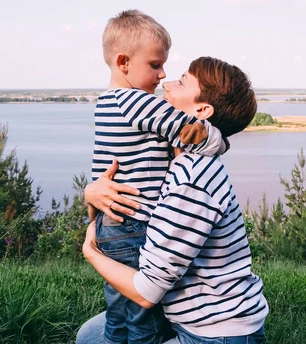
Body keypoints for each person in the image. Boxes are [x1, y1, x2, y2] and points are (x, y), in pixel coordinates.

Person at [79, 57, 268, 344]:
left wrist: (92, 252)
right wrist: (92, 192)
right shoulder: (173, 156)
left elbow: (146, 292)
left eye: (181, 82)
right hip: (178, 314)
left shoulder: (193, 179)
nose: (165, 83)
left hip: (216, 332)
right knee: (90, 336)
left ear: (202, 110)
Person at [92, 10, 227, 343]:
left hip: (112, 225)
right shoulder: (136, 102)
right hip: (135, 224)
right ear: (124, 62)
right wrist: (221, 139)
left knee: (119, 313)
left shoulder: (107, 101)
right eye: (155, 65)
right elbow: (188, 131)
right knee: (144, 321)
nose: (162, 74)